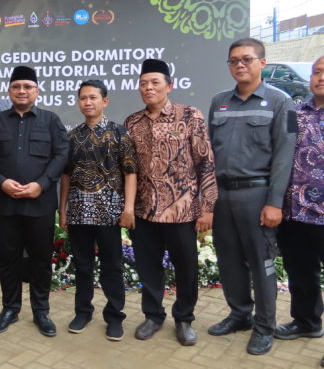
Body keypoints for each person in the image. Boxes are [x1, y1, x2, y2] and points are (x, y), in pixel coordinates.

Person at [208, 38, 296, 355]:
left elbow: (284, 157)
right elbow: (210, 155)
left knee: (262, 265)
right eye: (233, 61)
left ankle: (264, 326)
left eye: (246, 59)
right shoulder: (219, 101)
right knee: (229, 261)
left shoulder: (280, 102)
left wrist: (274, 202)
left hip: (257, 196)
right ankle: (240, 314)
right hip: (223, 196)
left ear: (262, 62)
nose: (240, 65)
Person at [124, 59, 217, 346]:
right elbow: (129, 170)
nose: (148, 88)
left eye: (154, 82)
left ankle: (185, 318)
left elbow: (206, 163)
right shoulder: (132, 122)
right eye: (143, 83)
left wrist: (208, 207)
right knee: (148, 267)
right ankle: (153, 315)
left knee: (186, 268)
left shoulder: (190, 116)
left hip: (182, 212)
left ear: (169, 85)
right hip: (145, 212)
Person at [0, 65, 69, 337]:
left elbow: (61, 155)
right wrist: (1, 181)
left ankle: (41, 312)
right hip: (6, 205)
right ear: (9, 90)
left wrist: (41, 185)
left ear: (37, 91)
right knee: (9, 259)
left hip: (39, 206)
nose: (22, 91)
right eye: (17, 86)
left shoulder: (51, 121)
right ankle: (10, 309)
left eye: (27, 87)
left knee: (41, 260)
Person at [59, 80, 137, 341]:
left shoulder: (119, 133)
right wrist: (62, 210)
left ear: (105, 101)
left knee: (112, 267)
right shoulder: (72, 137)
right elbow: (66, 177)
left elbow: (130, 173)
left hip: (110, 213)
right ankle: (83, 312)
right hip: (79, 212)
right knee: (82, 266)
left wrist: (128, 208)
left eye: (93, 97)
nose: (88, 102)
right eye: (83, 98)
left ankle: (115, 316)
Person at [275, 56, 324, 343]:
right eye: (317, 72)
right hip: (295, 212)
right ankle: (306, 321)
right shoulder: (296, 112)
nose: (320, 77)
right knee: (301, 272)